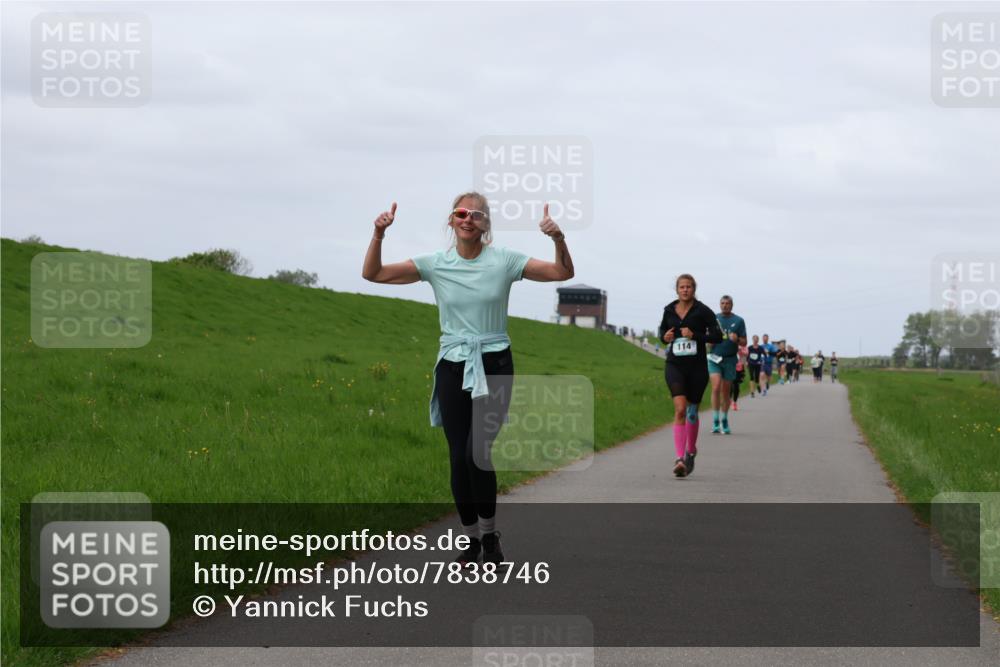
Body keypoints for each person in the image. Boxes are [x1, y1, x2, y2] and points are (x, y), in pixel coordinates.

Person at [362, 194, 574, 565]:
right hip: (453, 363)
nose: (468, 219)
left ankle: (490, 537)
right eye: (461, 213)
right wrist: (378, 234)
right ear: (451, 221)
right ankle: (471, 539)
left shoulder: (505, 260)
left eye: (477, 215)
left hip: (495, 362)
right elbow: (373, 274)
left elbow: (561, 273)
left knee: (479, 453)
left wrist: (558, 239)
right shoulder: (435, 263)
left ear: (486, 224)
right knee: (458, 456)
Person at [659, 274, 723, 477]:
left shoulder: (703, 311)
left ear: (694, 289)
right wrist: (665, 337)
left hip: (696, 368)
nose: (685, 290)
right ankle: (680, 459)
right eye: (682, 287)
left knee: (692, 413)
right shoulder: (669, 310)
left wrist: (695, 335)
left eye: (688, 287)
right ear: (677, 290)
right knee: (680, 410)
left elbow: (717, 337)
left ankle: (691, 451)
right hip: (675, 365)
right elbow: (662, 332)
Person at [707, 295, 747, 434]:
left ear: (732, 305)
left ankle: (724, 419)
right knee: (716, 386)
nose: (725, 305)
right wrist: (709, 342)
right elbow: (707, 338)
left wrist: (737, 339)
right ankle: (715, 420)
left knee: (725, 391)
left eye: (727, 303)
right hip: (714, 358)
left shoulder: (739, 321)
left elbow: (744, 342)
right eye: (722, 303)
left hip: (730, 359)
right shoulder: (714, 319)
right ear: (719, 305)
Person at [731, 343, 747, 411]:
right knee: (729, 385)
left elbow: (746, 353)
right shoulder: (730, 343)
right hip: (729, 366)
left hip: (739, 368)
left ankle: (734, 402)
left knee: (736, 385)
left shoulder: (742, 345)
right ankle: (729, 400)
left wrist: (740, 350)